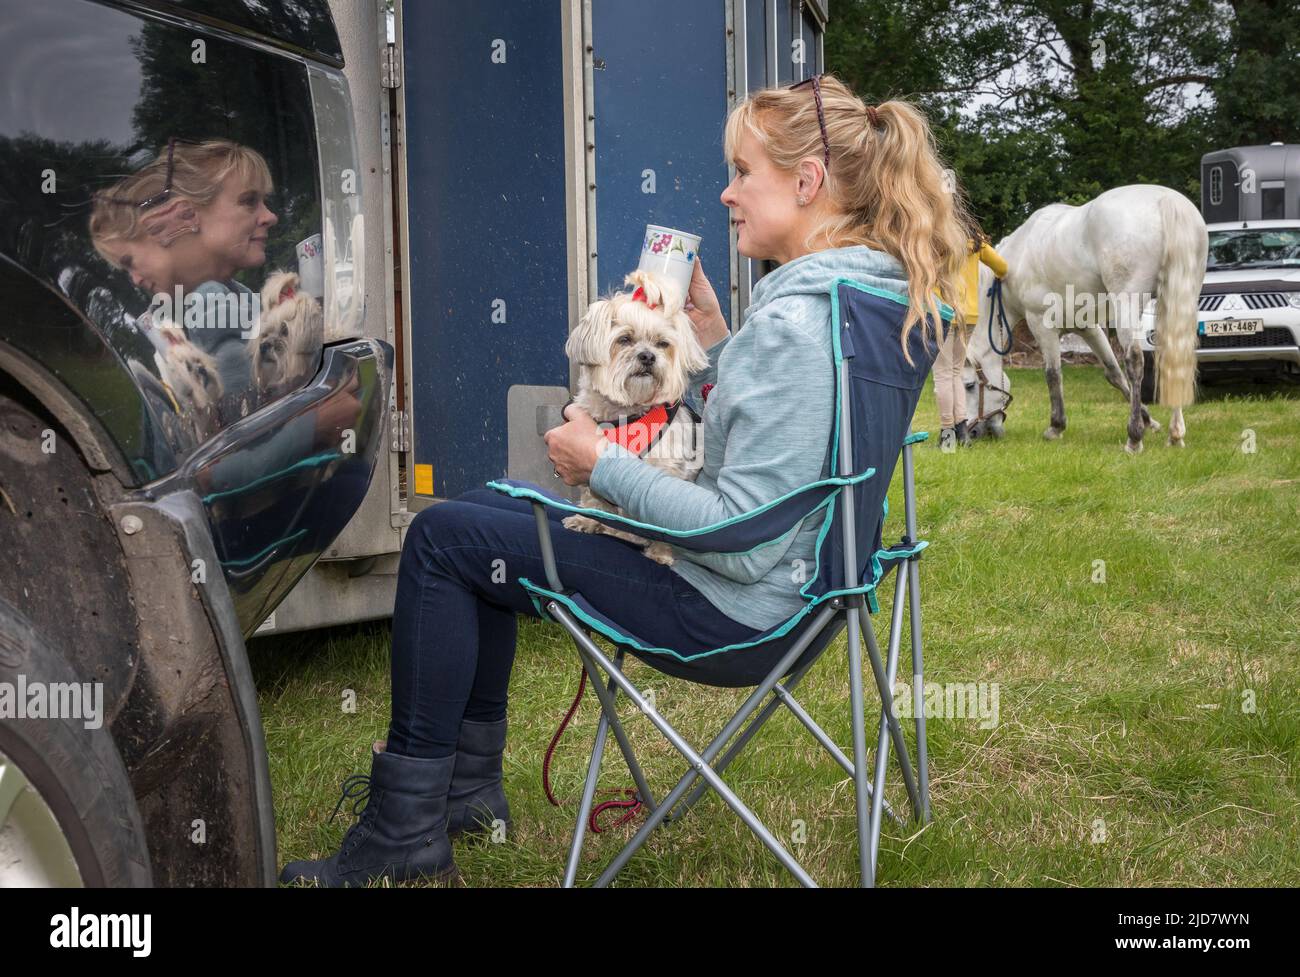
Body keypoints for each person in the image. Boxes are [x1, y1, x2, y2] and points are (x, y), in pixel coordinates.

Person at [278, 73, 971, 887]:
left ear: (808, 183)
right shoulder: (862, 297)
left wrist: (602, 463)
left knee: (439, 537)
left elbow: (741, 533)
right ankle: (465, 796)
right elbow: (778, 453)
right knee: (482, 514)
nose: (727, 192)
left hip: (731, 609)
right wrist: (714, 338)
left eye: (744, 171)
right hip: (814, 595)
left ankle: (405, 832)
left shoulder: (796, 321)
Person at [932, 213, 1007, 448]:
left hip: (942, 313)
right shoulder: (975, 242)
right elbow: (1002, 267)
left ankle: (948, 437)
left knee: (943, 375)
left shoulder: (935, 238)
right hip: (969, 315)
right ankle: (962, 431)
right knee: (955, 373)